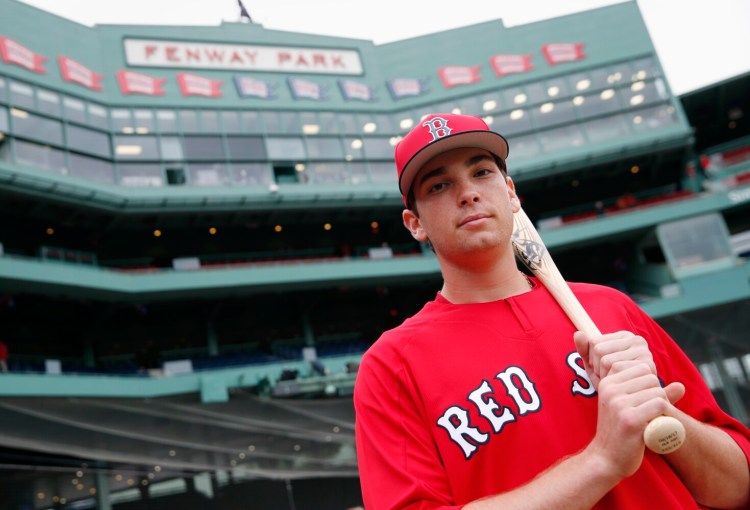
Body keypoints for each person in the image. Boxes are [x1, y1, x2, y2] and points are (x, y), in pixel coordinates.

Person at [353, 113, 750, 510]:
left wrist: (661, 413)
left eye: (482, 172)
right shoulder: (392, 366)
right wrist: (601, 461)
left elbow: (736, 487)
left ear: (511, 193)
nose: (468, 193)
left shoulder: (610, 309)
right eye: (439, 185)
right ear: (415, 223)